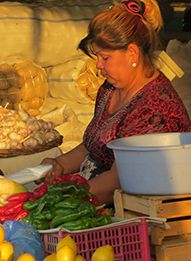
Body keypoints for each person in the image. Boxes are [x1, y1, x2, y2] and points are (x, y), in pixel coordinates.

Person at [41, 0, 191, 205]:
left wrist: (63, 199)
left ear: (132, 53)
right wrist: (60, 164)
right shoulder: (110, 89)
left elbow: (117, 181)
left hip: (131, 214)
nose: (98, 66)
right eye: (97, 56)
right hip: (91, 198)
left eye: (105, 57)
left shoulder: (154, 109)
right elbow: (94, 144)